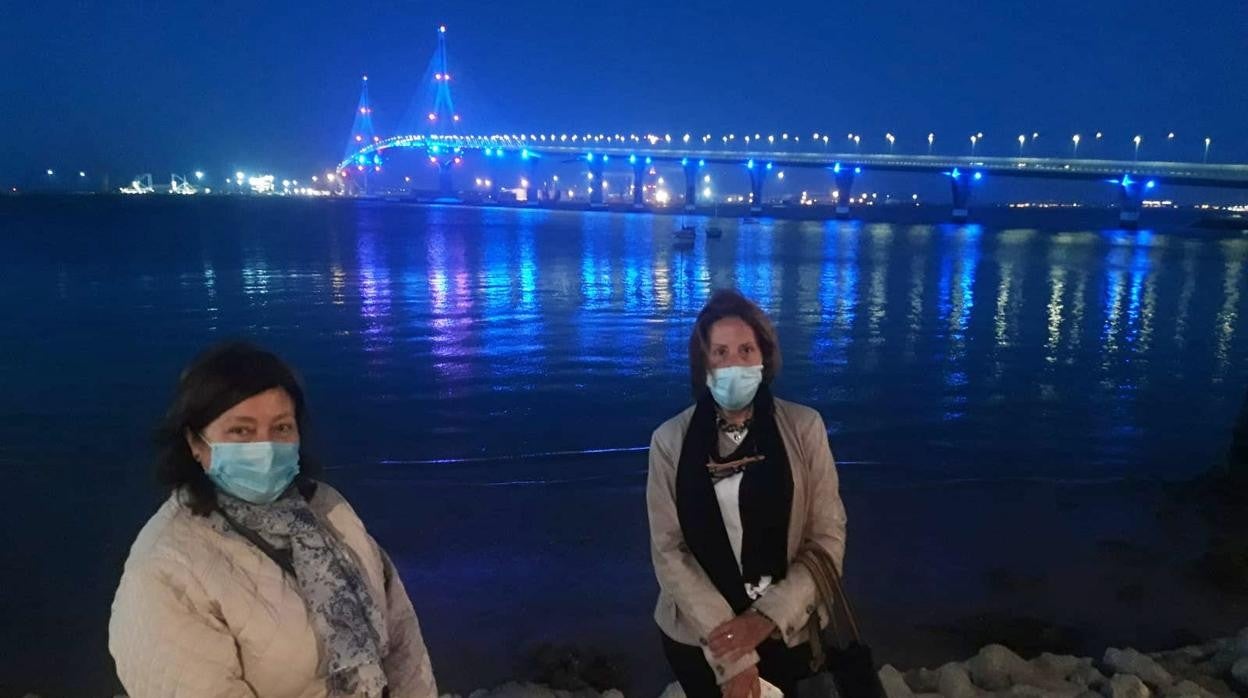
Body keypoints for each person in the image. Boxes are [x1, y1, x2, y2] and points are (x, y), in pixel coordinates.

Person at [109, 342, 437, 697]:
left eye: (281, 428)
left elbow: (402, 635)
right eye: (241, 431)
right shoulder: (168, 567)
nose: (265, 449)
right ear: (196, 443)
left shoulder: (326, 509)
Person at [647, 289, 847, 698]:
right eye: (719, 352)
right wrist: (734, 655)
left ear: (764, 357)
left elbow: (827, 537)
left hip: (785, 632)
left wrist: (765, 619)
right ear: (702, 363)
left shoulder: (804, 429)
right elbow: (669, 551)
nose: (733, 364)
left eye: (745, 349)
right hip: (698, 637)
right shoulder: (670, 442)